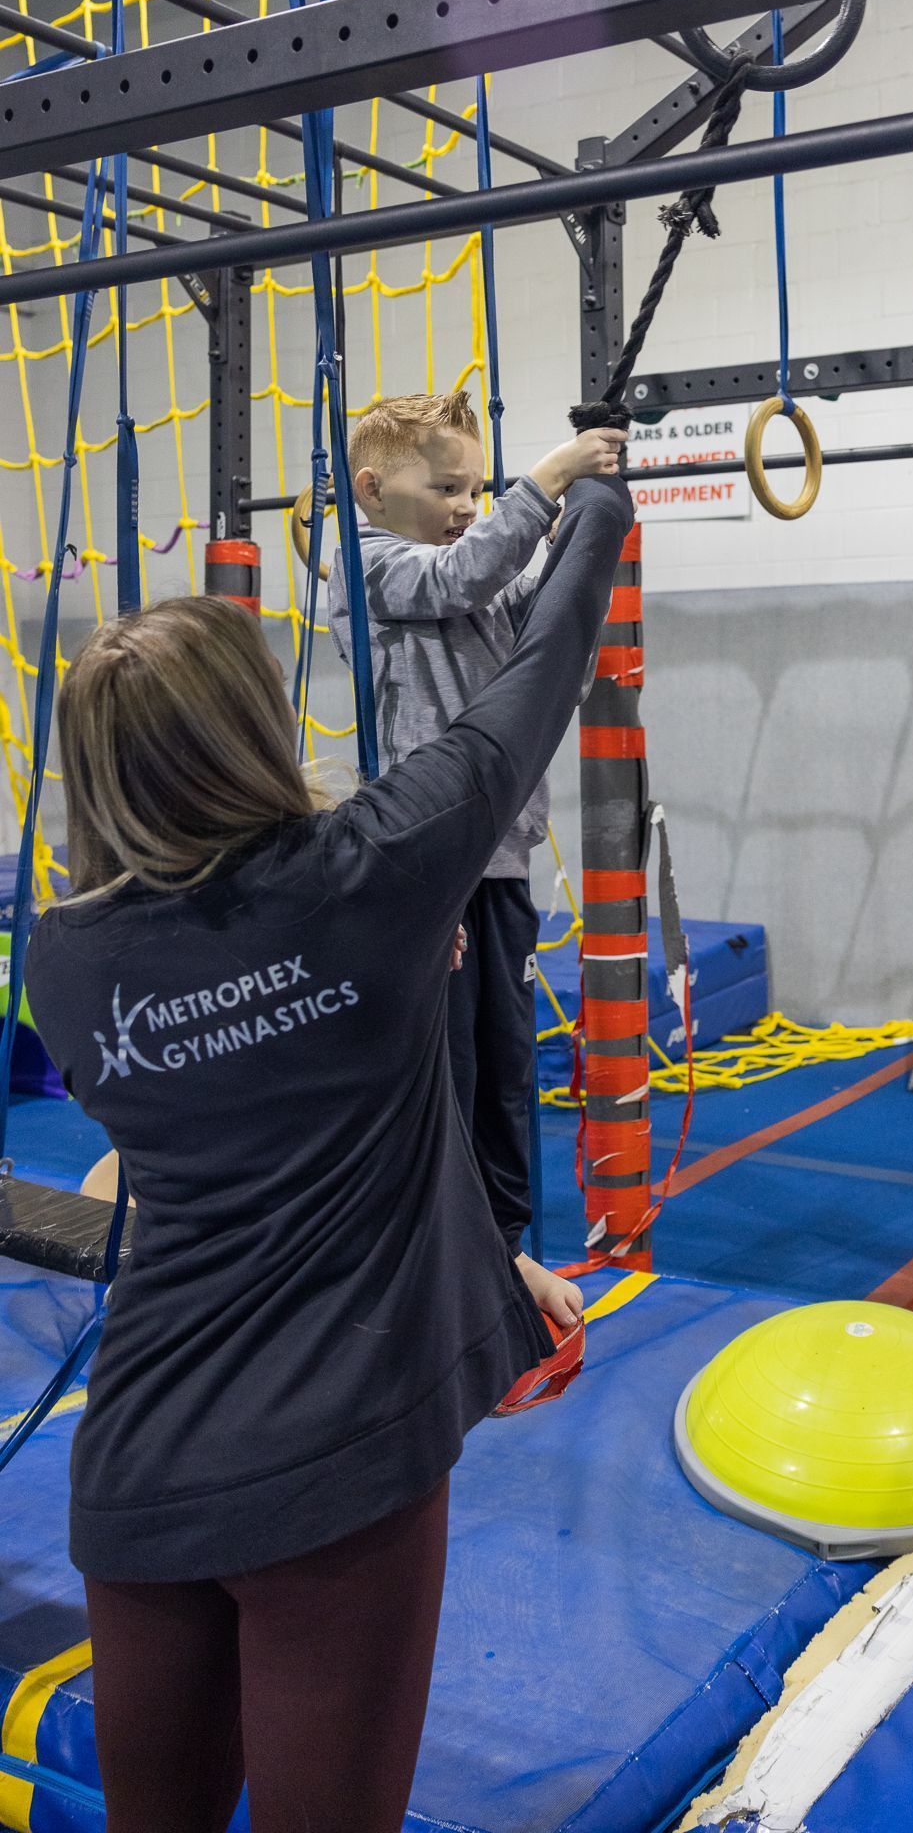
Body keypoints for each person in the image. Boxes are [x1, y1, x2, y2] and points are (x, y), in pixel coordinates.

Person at [25, 468, 634, 1833]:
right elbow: (544, 666)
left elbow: (263, 1140)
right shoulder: (378, 868)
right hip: (332, 1467)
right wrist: (599, 495)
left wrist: (481, 1266)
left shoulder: (62, 961)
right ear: (250, 733)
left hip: (136, 1458)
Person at [326, 391, 626, 1283]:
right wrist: (549, 479)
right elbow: (457, 581)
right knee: (446, 1074)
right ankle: (436, 1251)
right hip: (426, 868)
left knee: (504, 1071)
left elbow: (527, 608)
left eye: (476, 490)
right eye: (450, 489)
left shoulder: (465, 572)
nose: (466, 508)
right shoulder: (364, 565)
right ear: (372, 490)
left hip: (499, 862)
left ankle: (501, 1254)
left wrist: (587, 521)